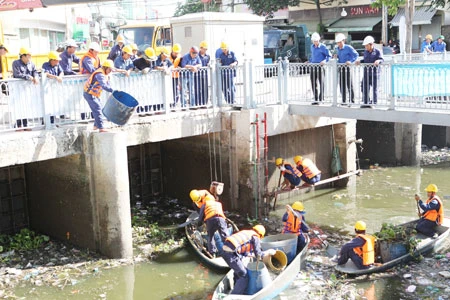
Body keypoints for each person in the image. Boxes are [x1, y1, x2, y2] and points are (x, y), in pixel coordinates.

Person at [222, 225, 276, 294]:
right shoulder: (255, 237)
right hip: (231, 254)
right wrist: (268, 252)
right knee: (244, 275)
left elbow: (241, 247)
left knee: (238, 271)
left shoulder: (247, 232)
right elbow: (259, 254)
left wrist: (249, 254)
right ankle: (234, 296)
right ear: (261, 235)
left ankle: (237, 288)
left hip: (226, 251)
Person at [83, 59, 115, 132]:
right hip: (90, 94)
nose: (110, 71)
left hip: (95, 94)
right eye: (109, 69)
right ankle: (101, 127)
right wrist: (113, 90)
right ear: (105, 68)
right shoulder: (100, 74)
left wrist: (112, 92)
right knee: (97, 109)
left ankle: (96, 125)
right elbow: (104, 85)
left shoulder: (106, 74)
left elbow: (108, 84)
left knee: (100, 108)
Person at [12, 47, 39, 129]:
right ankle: (19, 125)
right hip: (18, 89)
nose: (29, 58)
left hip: (27, 89)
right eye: (28, 56)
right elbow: (17, 74)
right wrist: (28, 77)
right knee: (19, 106)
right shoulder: (16, 63)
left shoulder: (31, 64)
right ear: (22, 56)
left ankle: (26, 124)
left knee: (26, 106)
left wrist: (36, 77)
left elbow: (35, 71)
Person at [356, 35, 383, 108]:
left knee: (374, 89)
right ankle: (365, 102)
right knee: (364, 87)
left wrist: (378, 61)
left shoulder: (377, 52)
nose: (366, 47)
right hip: (366, 73)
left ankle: (374, 103)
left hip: (374, 73)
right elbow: (365, 60)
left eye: (366, 46)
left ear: (371, 44)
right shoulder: (365, 52)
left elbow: (382, 59)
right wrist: (360, 61)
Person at [335, 33, 358, 105]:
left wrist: (350, 61)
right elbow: (338, 57)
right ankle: (344, 100)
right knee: (342, 85)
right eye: (338, 43)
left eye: (340, 42)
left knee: (349, 84)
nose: (339, 44)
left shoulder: (348, 48)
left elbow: (356, 55)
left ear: (343, 41)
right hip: (341, 68)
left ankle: (352, 100)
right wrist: (336, 57)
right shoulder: (337, 49)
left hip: (347, 68)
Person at [308, 32, 331, 105]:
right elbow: (313, 56)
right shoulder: (312, 47)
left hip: (320, 67)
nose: (315, 43)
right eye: (314, 41)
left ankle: (321, 98)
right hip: (313, 66)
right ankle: (315, 98)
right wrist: (309, 61)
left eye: (316, 41)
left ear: (319, 40)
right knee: (313, 83)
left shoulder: (323, 47)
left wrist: (324, 61)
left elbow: (329, 56)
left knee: (321, 82)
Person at [196, 40, 210, 106]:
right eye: (204, 49)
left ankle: (205, 103)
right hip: (197, 75)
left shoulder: (207, 56)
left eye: (206, 49)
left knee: (205, 89)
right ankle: (198, 103)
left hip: (205, 75)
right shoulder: (197, 55)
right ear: (201, 48)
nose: (204, 50)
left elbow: (208, 62)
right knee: (198, 89)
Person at [169, 43, 182, 108]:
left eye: (177, 53)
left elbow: (181, 64)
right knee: (169, 90)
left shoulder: (179, 57)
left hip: (176, 76)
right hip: (169, 76)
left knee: (175, 90)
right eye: (175, 53)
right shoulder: (168, 57)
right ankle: (170, 104)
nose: (176, 54)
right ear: (172, 51)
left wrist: (179, 67)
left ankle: (174, 103)